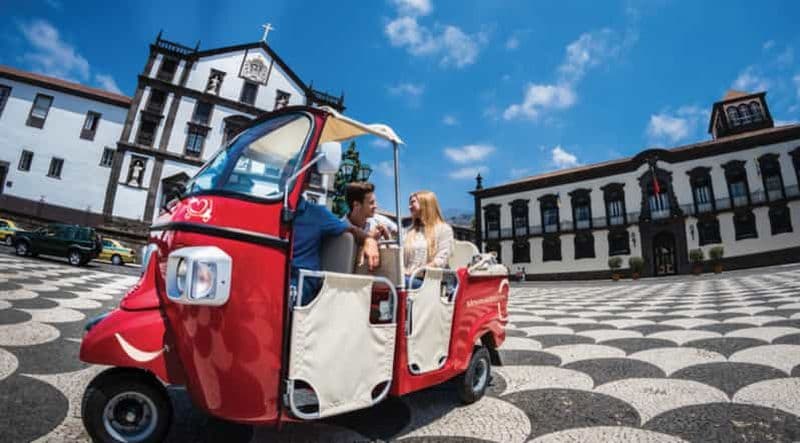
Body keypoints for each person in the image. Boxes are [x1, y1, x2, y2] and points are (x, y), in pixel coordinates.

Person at [291, 195, 380, 305]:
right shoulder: (271, 205)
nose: (375, 206)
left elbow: (351, 229)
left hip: (298, 280)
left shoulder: (317, 214)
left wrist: (369, 240)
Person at [403, 191, 454, 289]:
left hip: (430, 282)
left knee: (399, 282)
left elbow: (441, 260)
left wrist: (418, 271)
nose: (409, 207)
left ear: (425, 203)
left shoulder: (444, 229)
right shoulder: (409, 231)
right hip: (407, 279)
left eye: (413, 202)